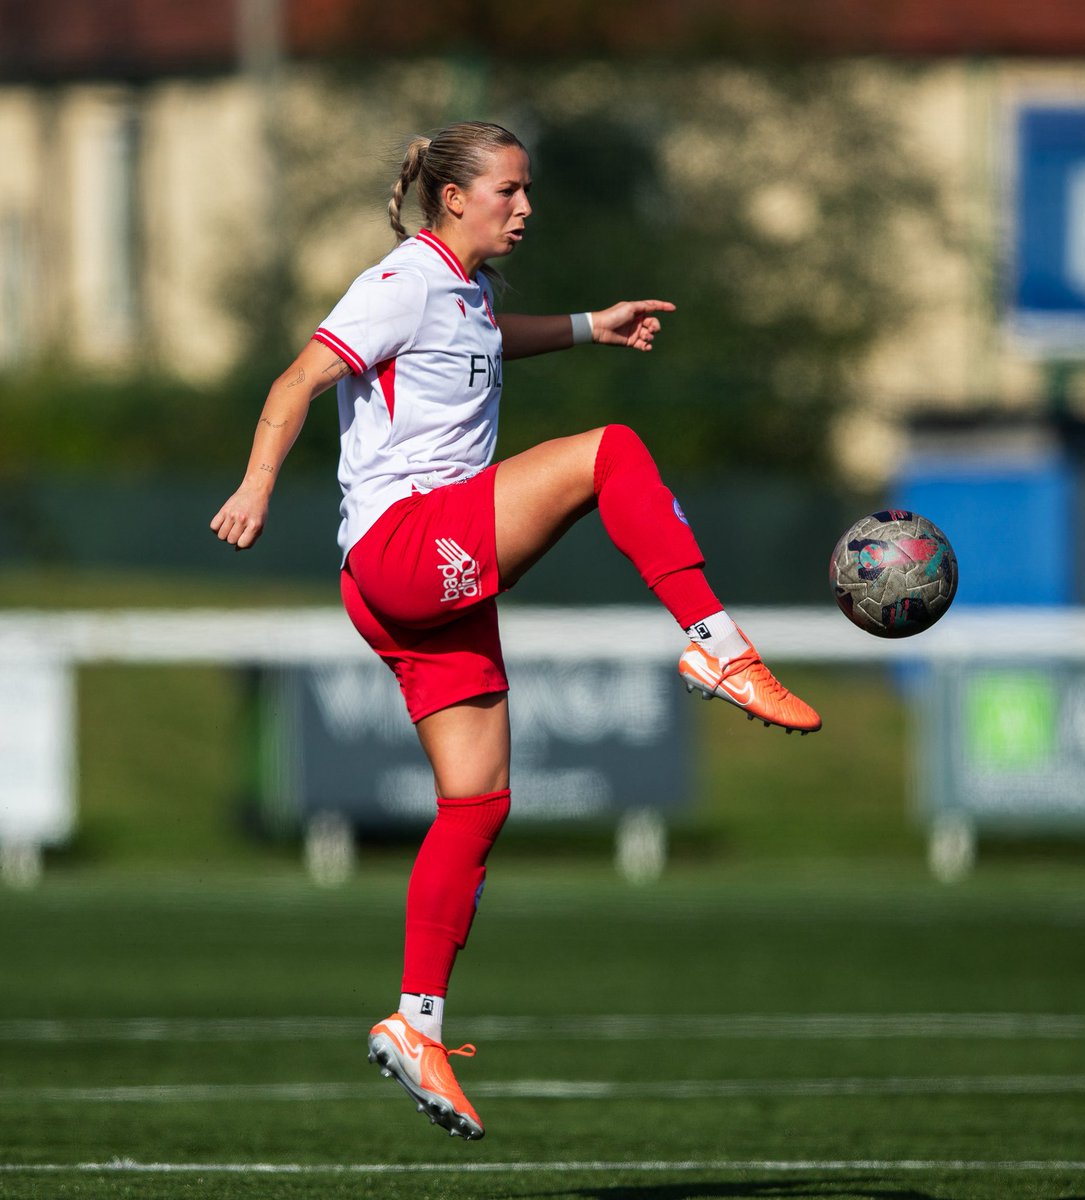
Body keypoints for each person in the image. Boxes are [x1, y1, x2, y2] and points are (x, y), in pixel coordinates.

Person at [211, 120, 821, 1142]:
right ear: (455, 198)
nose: (525, 206)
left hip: (402, 588)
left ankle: (417, 1027)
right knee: (609, 454)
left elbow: (491, 336)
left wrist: (592, 325)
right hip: (408, 548)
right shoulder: (403, 279)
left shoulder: (467, 293)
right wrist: (256, 485)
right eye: (509, 189)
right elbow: (295, 381)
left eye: (526, 190)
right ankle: (716, 641)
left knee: (477, 804)